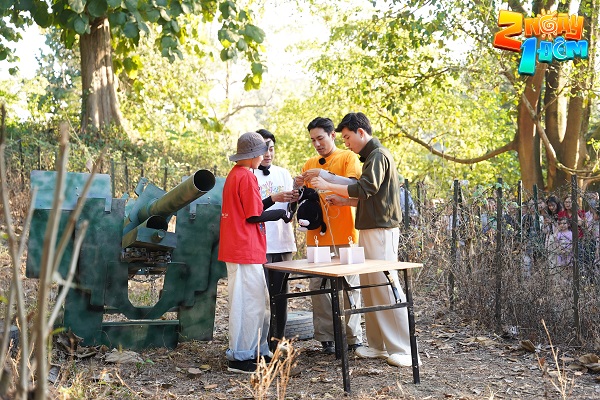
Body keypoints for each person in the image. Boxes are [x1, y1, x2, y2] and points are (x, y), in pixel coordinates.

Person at [311, 112, 420, 368]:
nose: (346, 142)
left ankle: (402, 348)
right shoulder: (371, 157)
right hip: (370, 229)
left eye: (348, 137)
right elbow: (369, 198)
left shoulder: (378, 155)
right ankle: (378, 345)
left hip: (381, 231)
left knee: (385, 286)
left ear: (361, 132)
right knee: (370, 288)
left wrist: (326, 183)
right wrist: (343, 199)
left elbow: (365, 189)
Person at [218, 132, 296, 374]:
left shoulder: (237, 174)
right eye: (262, 152)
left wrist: (272, 203)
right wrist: (280, 214)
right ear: (253, 155)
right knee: (248, 305)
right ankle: (240, 358)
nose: (264, 156)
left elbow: (253, 207)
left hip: (244, 248)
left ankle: (256, 351)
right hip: (244, 248)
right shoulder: (246, 176)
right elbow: (253, 216)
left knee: (256, 302)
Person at [294, 116, 363, 355]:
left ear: (333, 135)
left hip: (347, 235)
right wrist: (298, 187)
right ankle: (326, 337)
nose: (317, 144)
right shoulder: (309, 163)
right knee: (318, 287)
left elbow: (355, 186)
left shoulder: (348, 158)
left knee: (350, 287)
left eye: (320, 138)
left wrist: (324, 176)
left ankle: (353, 337)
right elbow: (304, 198)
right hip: (316, 237)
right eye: (313, 140)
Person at [254, 129, 298, 349]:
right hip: (259, 244)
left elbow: (290, 212)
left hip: (283, 241)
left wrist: (296, 197)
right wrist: (273, 198)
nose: (268, 154)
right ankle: (259, 343)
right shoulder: (249, 174)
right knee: (260, 296)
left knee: (281, 296)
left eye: (271, 149)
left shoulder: (283, 173)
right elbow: (250, 211)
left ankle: (278, 341)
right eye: (264, 150)